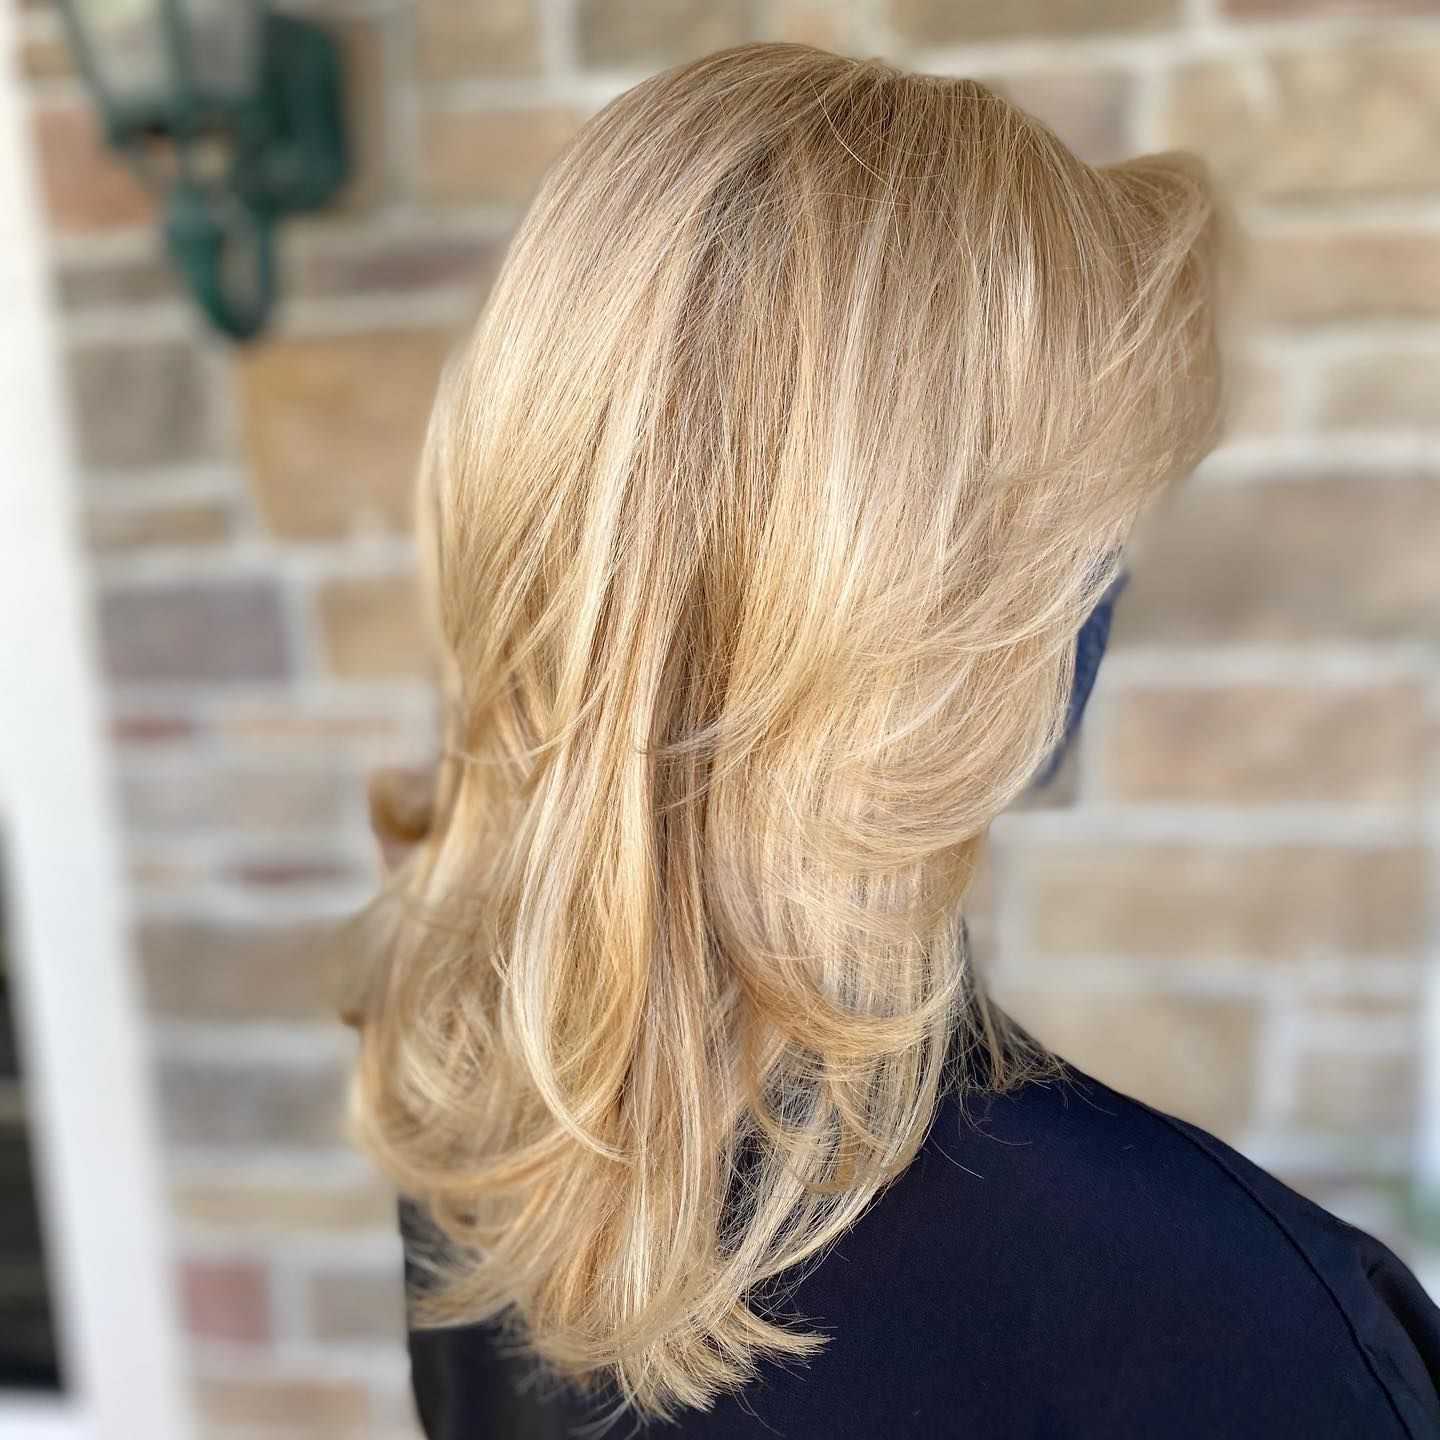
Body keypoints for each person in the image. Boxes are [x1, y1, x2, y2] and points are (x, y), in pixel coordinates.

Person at [345, 43, 1440, 1439]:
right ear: (936, 622)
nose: (1107, 588)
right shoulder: (1218, 1321)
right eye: (1081, 540)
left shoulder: (474, 1109)